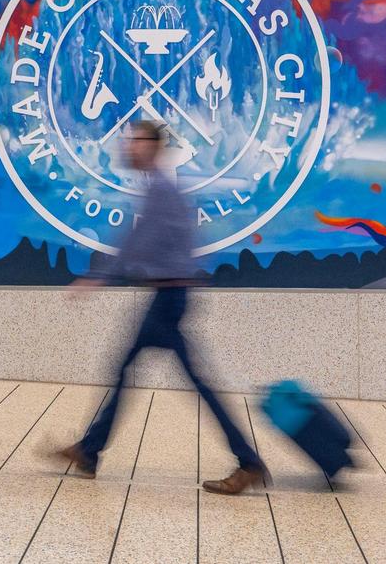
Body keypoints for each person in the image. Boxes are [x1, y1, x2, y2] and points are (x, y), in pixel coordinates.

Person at [54, 120, 268, 495]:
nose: (128, 146)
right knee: (133, 370)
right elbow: (142, 243)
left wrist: (98, 277)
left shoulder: (162, 191)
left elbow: (137, 242)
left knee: (189, 381)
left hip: (170, 298)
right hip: (168, 295)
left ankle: (249, 462)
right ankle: (89, 451)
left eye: (135, 140)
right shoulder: (159, 189)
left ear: (153, 145)